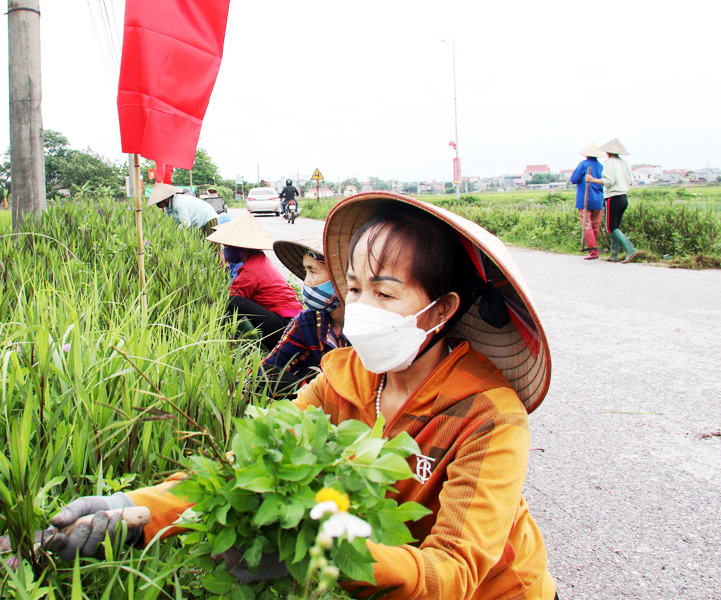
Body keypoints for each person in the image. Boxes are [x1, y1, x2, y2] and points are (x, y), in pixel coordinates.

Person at [44, 192, 557, 600]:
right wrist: (135, 509)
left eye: (384, 293)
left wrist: (320, 550)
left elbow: (452, 574)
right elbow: (246, 468)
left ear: (441, 310)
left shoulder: (488, 415)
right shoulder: (343, 377)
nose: (359, 308)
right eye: (353, 289)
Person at [258, 233, 348, 398]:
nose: (305, 282)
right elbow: (272, 364)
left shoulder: (366, 325)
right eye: (305, 271)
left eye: (312, 271)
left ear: (341, 276)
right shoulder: (309, 321)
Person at [205, 211, 302, 351]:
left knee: (234, 302)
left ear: (241, 249)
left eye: (228, 247)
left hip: (285, 327)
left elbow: (230, 298)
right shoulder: (259, 261)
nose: (225, 250)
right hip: (290, 323)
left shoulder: (251, 269)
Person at [587, 138, 638, 263]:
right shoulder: (625, 163)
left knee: (611, 228)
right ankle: (614, 255)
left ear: (607, 152)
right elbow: (631, 181)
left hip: (613, 197)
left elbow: (609, 182)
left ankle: (630, 250)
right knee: (615, 227)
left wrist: (593, 180)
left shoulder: (609, 163)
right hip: (623, 197)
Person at [570, 142, 605, 260]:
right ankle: (594, 250)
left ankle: (593, 251)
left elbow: (574, 179)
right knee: (595, 225)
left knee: (587, 225)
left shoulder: (583, 164)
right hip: (598, 199)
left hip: (585, 199)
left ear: (586, 155)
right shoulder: (601, 166)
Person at [148, 182, 218, 235]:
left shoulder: (178, 202)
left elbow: (186, 223)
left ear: (165, 199)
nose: (158, 204)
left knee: (212, 246)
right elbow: (171, 223)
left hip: (207, 217)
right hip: (196, 223)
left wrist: (175, 233)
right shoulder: (167, 208)